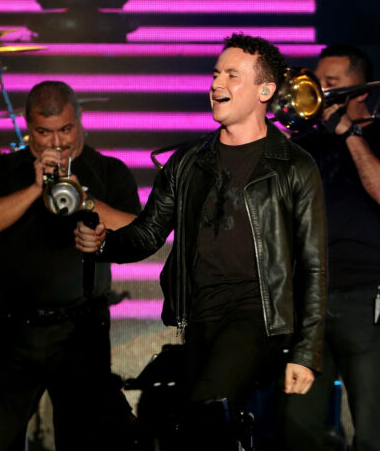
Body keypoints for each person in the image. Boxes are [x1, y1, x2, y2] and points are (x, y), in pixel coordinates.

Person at [75, 34, 327, 449]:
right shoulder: (188, 163)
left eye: (232, 75)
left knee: (208, 407)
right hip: (199, 317)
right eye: (215, 74)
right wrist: (103, 244)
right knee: (195, 430)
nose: (217, 84)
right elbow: (147, 233)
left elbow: (314, 263)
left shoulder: (294, 166)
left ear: (265, 90)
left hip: (258, 315)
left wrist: (306, 351)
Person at [0, 80, 141, 451]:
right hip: (15, 330)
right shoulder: (6, 169)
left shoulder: (107, 171)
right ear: (27, 126)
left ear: (80, 120)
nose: (56, 142)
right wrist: (36, 187)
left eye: (65, 129)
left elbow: (136, 232)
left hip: (81, 332)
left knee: (86, 442)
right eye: (43, 132)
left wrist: (86, 199)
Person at [281, 45, 380, 451]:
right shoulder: (307, 144)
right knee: (297, 431)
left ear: (359, 91)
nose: (318, 91)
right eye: (316, 82)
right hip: (309, 302)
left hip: (369, 302)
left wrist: (348, 133)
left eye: (331, 84)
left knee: (372, 435)